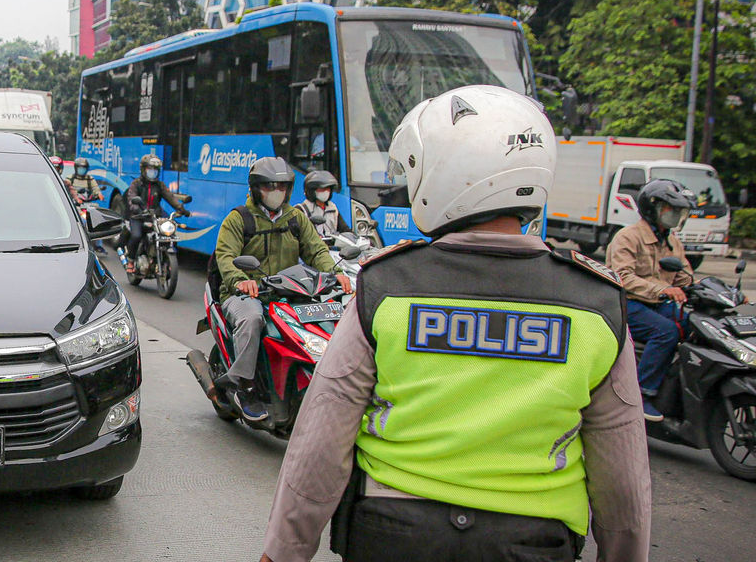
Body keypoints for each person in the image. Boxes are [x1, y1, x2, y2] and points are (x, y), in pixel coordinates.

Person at [259, 86, 650, 562]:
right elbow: (624, 478)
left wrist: (283, 552)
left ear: (443, 175)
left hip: (392, 533)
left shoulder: (385, 287)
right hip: (531, 542)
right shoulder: (597, 304)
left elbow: (320, 444)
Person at [214, 157, 352, 423]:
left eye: (281, 187)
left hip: (287, 291)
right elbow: (225, 257)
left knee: (329, 316)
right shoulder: (238, 219)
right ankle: (245, 386)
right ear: (257, 189)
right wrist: (241, 280)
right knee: (252, 319)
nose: (276, 193)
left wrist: (337, 273)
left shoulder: (295, 217)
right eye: (269, 187)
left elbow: (317, 250)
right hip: (244, 293)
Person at [605, 178, 696, 422]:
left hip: (656, 304)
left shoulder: (672, 240)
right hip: (627, 303)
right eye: (670, 210)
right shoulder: (628, 237)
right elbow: (622, 277)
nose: (675, 216)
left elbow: (684, 276)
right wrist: (662, 290)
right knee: (666, 332)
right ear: (652, 207)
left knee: (694, 325)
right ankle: (643, 393)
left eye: (679, 211)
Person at [123, 154, 190, 274]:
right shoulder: (136, 184)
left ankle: (167, 261)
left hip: (156, 214)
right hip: (139, 216)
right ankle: (131, 261)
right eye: (150, 169)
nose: (152, 172)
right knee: (136, 236)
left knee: (171, 233)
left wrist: (181, 209)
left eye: (155, 170)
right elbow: (132, 199)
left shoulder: (160, 185)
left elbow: (170, 197)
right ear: (143, 170)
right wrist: (138, 209)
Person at [296, 169, 351, 239]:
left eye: (328, 188)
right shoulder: (301, 209)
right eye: (321, 189)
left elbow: (344, 229)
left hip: (332, 248)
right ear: (312, 191)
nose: (326, 191)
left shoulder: (333, 208)